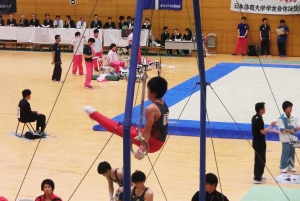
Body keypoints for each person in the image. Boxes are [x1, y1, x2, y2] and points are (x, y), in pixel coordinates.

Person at [83, 76, 169, 157]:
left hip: (153, 144)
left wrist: (141, 150)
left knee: (120, 129)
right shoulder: (163, 103)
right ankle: (94, 116)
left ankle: (94, 115)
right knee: (128, 127)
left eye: (148, 89)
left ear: (154, 92)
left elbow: (147, 131)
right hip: (159, 139)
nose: (147, 91)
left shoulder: (151, 109)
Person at [252, 102, 277, 184]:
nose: (265, 109)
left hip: (255, 141)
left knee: (257, 158)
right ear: (261, 110)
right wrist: (271, 127)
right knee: (261, 159)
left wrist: (271, 129)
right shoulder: (259, 119)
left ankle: (257, 175)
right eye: (264, 108)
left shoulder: (254, 117)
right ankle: (258, 178)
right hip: (260, 141)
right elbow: (262, 131)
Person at [278, 101, 300, 173]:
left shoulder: (294, 117)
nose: (291, 109)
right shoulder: (281, 118)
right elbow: (282, 129)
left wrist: (297, 128)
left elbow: (295, 127)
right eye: (289, 107)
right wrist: (290, 131)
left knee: (292, 152)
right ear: (285, 108)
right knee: (286, 152)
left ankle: (291, 166)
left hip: (293, 138)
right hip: (285, 138)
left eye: (291, 107)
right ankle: (282, 167)